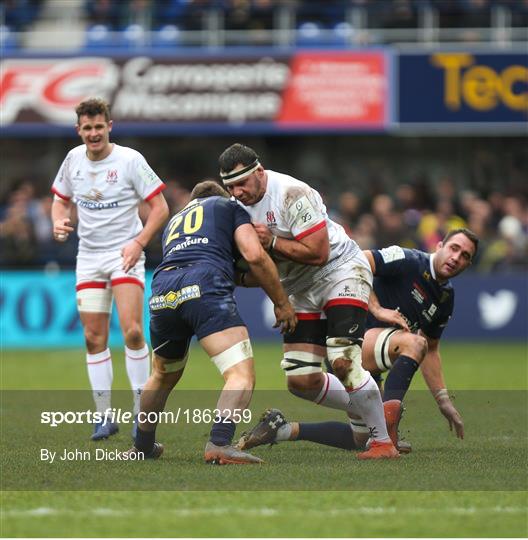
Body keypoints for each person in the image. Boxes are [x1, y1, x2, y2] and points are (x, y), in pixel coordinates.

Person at [218, 143, 399, 459]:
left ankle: (383, 442)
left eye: (242, 183)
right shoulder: (237, 208)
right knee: (301, 380)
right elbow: (258, 268)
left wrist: (272, 241)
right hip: (298, 287)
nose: (237, 192)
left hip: (340, 269)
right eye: (230, 187)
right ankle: (374, 411)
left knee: (342, 359)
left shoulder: (292, 194)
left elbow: (319, 252)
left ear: (259, 172)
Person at [237, 229, 478, 453]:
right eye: (454, 248)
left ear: (468, 263)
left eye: (465, 255)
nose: (457, 257)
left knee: (361, 439)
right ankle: (387, 421)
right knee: (414, 343)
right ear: (440, 245)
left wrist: (443, 400)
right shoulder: (408, 259)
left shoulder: (446, 297)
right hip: (351, 343)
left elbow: (432, 350)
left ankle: (281, 429)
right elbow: (359, 260)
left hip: (371, 362)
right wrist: (377, 308)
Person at [123, 180, 297, 463]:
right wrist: (281, 302)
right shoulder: (228, 206)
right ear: (222, 196)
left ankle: (142, 446)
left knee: (162, 375)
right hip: (204, 284)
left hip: (163, 289)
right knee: (239, 374)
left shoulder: (175, 222)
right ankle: (219, 443)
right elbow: (253, 255)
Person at [51, 98, 169, 440]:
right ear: (79, 130)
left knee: (132, 331)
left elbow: (159, 207)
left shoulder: (130, 160)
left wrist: (139, 243)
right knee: (92, 337)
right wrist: (59, 220)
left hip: (124, 254)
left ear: (109, 126)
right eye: (87, 128)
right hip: (88, 257)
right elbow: (60, 199)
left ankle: (139, 413)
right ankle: (104, 416)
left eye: (98, 127)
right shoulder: (73, 159)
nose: (93, 134)